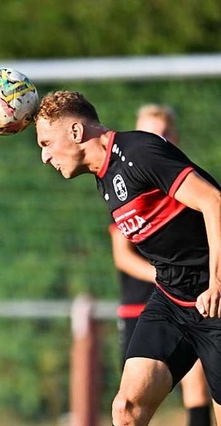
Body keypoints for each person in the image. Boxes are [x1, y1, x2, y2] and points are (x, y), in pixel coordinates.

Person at [34, 90, 221, 425]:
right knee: (126, 410)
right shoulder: (103, 179)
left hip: (215, 302)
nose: (44, 157)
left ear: (76, 132)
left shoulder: (140, 152)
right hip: (173, 302)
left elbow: (214, 202)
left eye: (46, 143)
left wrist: (217, 282)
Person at [110, 104, 211, 425]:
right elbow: (122, 255)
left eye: (164, 133)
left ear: (175, 137)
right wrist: (164, 277)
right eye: (148, 133)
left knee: (196, 382)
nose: (156, 139)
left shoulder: (186, 181)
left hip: (191, 294)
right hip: (146, 300)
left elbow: (213, 204)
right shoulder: (124, 185)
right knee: (130, 401)